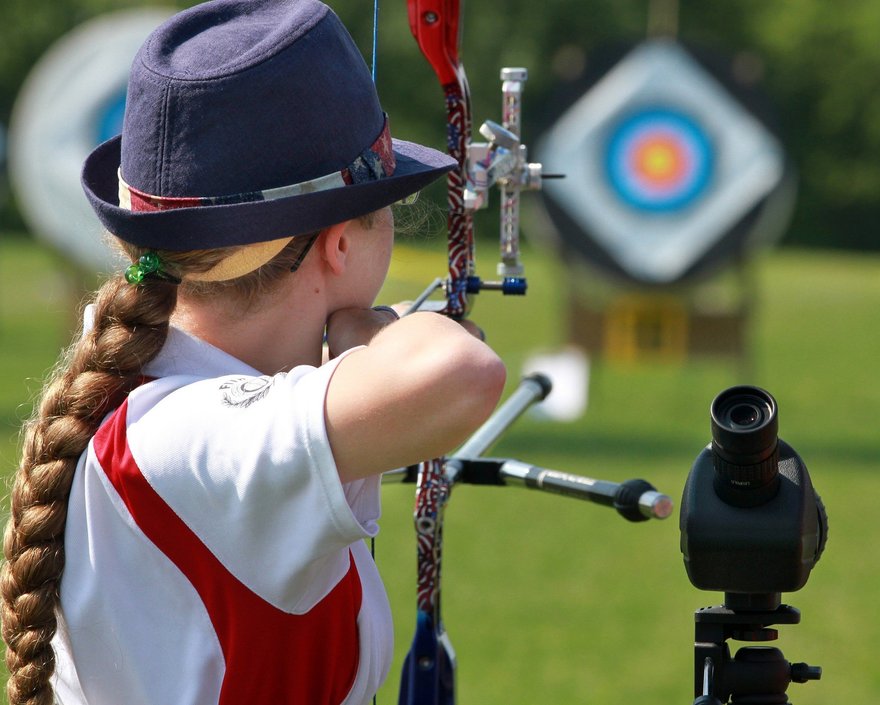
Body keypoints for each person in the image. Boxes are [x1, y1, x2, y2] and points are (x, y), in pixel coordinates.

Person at [0, 1, 506, 703]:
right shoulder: (188, 437)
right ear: (338, 244)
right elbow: (463, 373)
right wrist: (367, 344)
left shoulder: (147, 383)